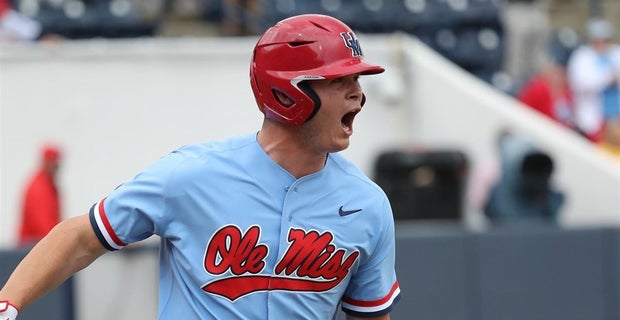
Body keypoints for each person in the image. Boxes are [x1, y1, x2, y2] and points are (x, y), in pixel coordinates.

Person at [0, 14, 401, 320]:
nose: (357, 94)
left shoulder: (368, 205)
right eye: (338, 81)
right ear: (286, 91)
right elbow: (81, 237)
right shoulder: (190, 175)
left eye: (357, 80)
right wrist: (8, 303)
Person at [566, 17, 620, 143]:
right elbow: (581, 84)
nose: (602, 43)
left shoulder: (616, 53)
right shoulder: (582, 57)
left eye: (605, 40)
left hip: (615, 119)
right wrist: (608, 78)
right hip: (591, 121)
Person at [17, 144, 63, 247]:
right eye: (51, 161)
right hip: (33, 247)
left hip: (39, 245)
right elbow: (43, 225)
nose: (55, 166)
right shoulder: (39, 187)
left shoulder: (49, 185)